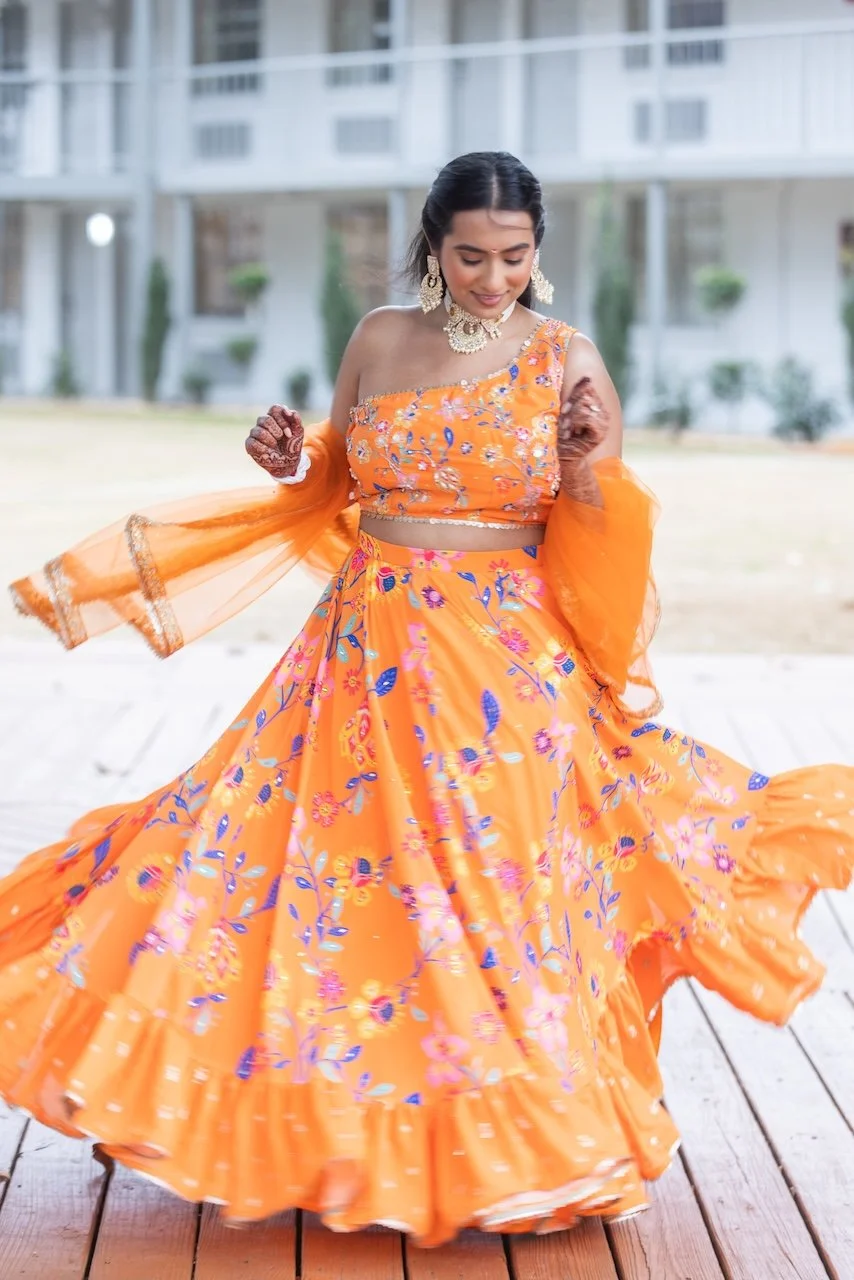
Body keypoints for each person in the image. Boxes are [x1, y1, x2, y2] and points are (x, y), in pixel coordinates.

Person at [2, 151, 852, 1247]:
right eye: (470, 255)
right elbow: (334, 484)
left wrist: (588, 466)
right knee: (318, 879)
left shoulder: (566, 358)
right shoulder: (378, 338)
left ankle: (522, 1148)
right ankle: (309, 1129)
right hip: (363, 651)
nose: (493, 276)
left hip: (501, 670)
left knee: (487, 897)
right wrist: (289, 454)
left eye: (514, 255)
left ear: (537, 250)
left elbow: (598, 535)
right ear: (432, 244)